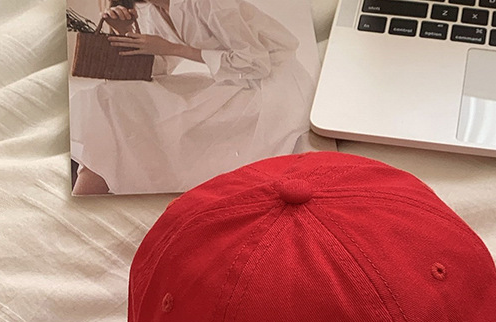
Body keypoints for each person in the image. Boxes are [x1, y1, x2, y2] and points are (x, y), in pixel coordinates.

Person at [71, 0, 315, 195]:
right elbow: (160, 69)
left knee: (151, 113)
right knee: (114, 97)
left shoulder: (210, 4)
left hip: (272, 87)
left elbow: (256, 63)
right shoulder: (154, 10)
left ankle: (90, 195)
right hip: (233, 81)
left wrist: (173, 47)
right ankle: (90, 191)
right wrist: (125, 32)